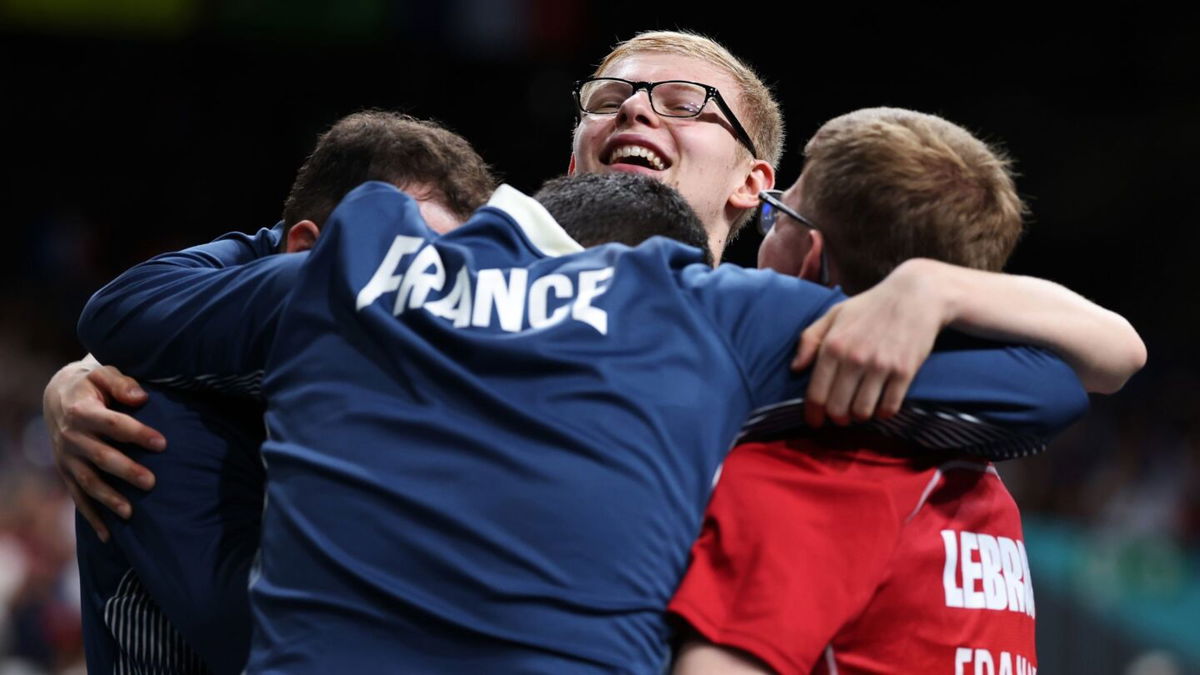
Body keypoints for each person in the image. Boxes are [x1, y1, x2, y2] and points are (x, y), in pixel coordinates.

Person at [76, 165, 1090, 673]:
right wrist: (933, 296)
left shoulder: (365, 263)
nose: (643, 110)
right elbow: (1047, 388)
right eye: (616, 93)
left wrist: (315, 244)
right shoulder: (715, 310)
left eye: (687, 100)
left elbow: (123, 312)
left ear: (760, 190)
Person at [668, 108, 1145, 675]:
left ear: (808, 259)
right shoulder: (978, 474)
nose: (763, 228)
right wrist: (936, 286)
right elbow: (1119, 355)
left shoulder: (817, 477)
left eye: (776, 215)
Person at [72, 110, 497, 674]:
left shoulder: (420, 397)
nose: (438, 315)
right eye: (413, 275)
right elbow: (269, 647)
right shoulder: (149, 411)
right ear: (305, 253)